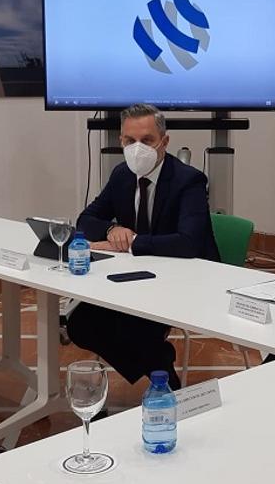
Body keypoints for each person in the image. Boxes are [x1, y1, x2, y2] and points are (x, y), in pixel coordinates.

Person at [65, 104, 219, 394]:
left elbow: (189, 243)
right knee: (80, 322)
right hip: (137, 276)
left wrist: (130, 243)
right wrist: (112, 230)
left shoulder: (189, 180)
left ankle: (163, 376)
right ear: (120, 140)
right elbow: (86, 219)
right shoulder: (122, 174)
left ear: (164, 141)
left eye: (146, 140)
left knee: (134, 325)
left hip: (186, 279)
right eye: (129, 141)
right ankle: (160, 364)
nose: (137, 148)